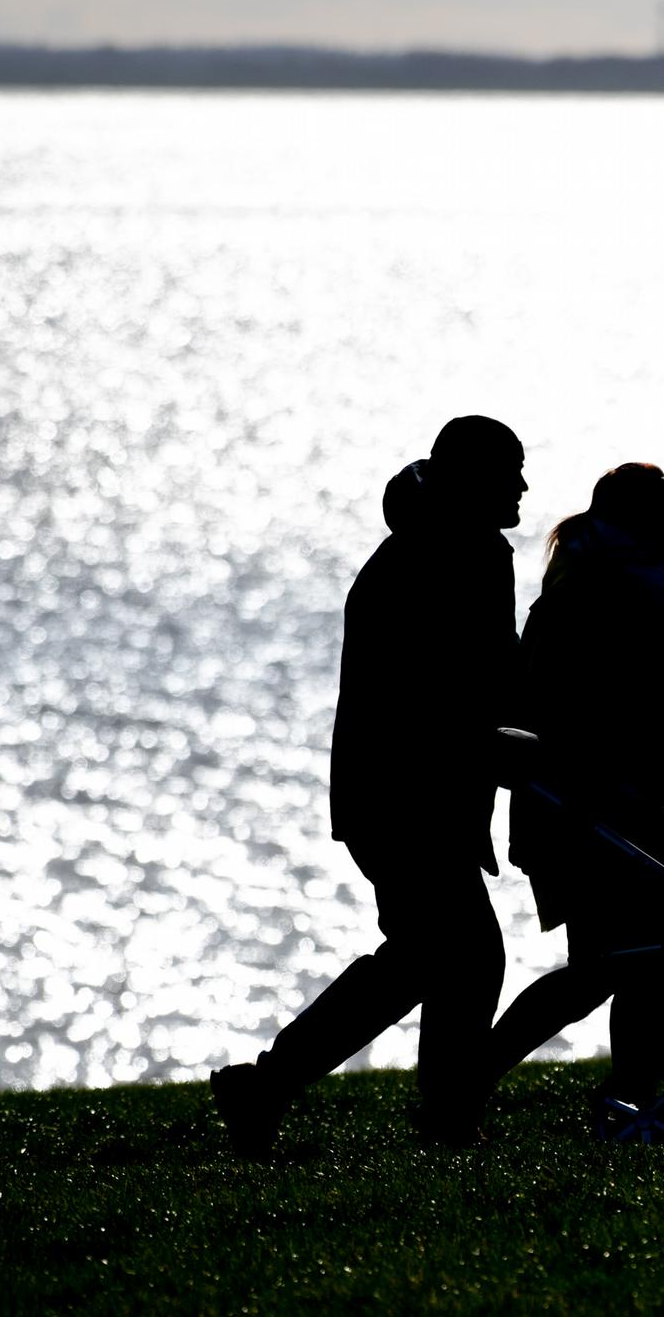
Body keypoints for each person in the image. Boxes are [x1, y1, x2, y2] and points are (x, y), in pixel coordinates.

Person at [211, 415, 527, 1153]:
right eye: (508, 470)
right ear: (470, 479)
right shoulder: (434, 558)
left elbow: (493, 675)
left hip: (413, 791)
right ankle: (437, 1112)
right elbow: (449, 687)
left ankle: (271, 1087)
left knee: (427, 957)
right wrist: (511, 741)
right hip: (405, 794)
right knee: (462, 953)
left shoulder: (461, 550)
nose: (520, 485)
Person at [488, 462, 664, 1104]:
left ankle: (637, 1088)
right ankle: (473, 1072)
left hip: (610, 802)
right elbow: (593, 711)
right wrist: (647, 792)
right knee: (619, 962)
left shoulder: (598, 581)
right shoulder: (603, 593)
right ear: (638, 523)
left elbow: (656, 708)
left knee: (639, 957)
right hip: (589, 805)